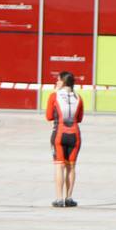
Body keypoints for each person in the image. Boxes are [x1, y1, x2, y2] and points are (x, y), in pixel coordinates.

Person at [46, 71, 83, 207]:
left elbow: (49, 116)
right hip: (75, 135)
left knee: (59, 166)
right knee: (71, 167)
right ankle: (69, 198)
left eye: (58, 80)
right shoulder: (79, 97)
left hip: (59, 133)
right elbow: (79, 119)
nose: (56, 82)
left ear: (63, 82)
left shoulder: (54, 96)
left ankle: (59, 198)